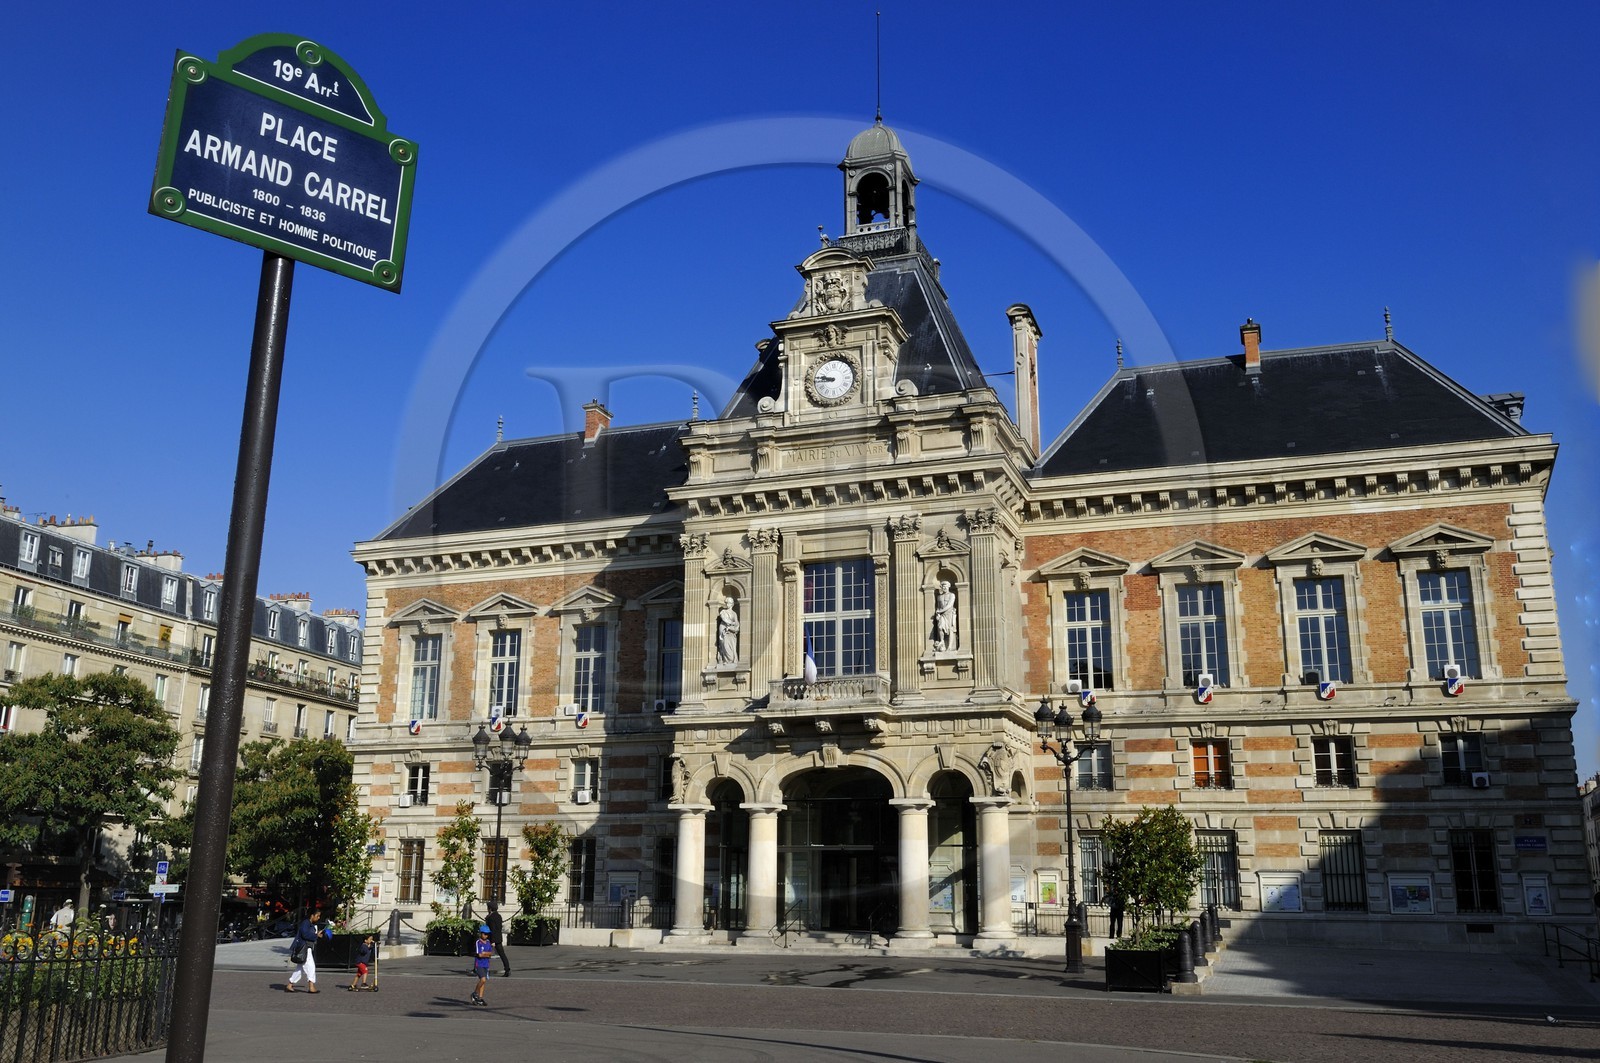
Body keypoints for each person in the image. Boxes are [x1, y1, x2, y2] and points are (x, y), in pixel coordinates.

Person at [286, 909, 327, 993]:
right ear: (312, 915)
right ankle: (311, 987)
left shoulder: (309, 924)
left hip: (305, 948)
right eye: (317, 916)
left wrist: (316, 934)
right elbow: (305, 934)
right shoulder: (306, 923)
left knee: (300, 969)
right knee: (311, 966)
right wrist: (316, 935)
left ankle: (290, 984)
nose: (318, 918)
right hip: (304, 948)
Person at [485, 899, 510, 977]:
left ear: (490, 908)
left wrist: (491, 940)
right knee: (502, 954)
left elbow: (492, 929)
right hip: (498, 938)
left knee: (482, 953)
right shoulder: (499, 916)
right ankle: (507, 969)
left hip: (491, 938)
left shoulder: (490, 917)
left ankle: (479, 968)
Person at [470, 924, 492, 1007]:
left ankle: (480, 997)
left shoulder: (488, 942)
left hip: (486, 964)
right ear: (481, 934)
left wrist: (485, 954)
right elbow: (479, 955)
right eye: (484, 934)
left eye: (487, 934)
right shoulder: (478, 942)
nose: (486, 936)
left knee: (484, 982)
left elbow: (490, 953)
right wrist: (485, 954)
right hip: (479, 964)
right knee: (483, 979)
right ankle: (475, 993)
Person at [932, 581, 957, 652]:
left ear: (949, 586)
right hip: (942, 615)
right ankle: (942, 641)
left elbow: (950, 605)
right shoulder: (939, 597)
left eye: (945, 586)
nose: (944, 587)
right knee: (940, 627)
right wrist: (938, 614)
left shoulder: (952, 595)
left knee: (950, 629)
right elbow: (938, 607)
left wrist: (939, 611)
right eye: (942, 586)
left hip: (949, 614)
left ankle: (949, 646)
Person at [715, 597, 740, 664]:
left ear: (732, 604)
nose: (726, 604)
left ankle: (731, 660)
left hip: (731, 633)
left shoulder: (734, 614)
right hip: (724, 631)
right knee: (725, 646)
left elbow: (737, 624)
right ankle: (726, 660)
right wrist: (732, 623)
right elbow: (724, 619)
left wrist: (733, 627)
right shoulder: (723, 612)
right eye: (726, 602)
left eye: (728, 602)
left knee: (732, 647)